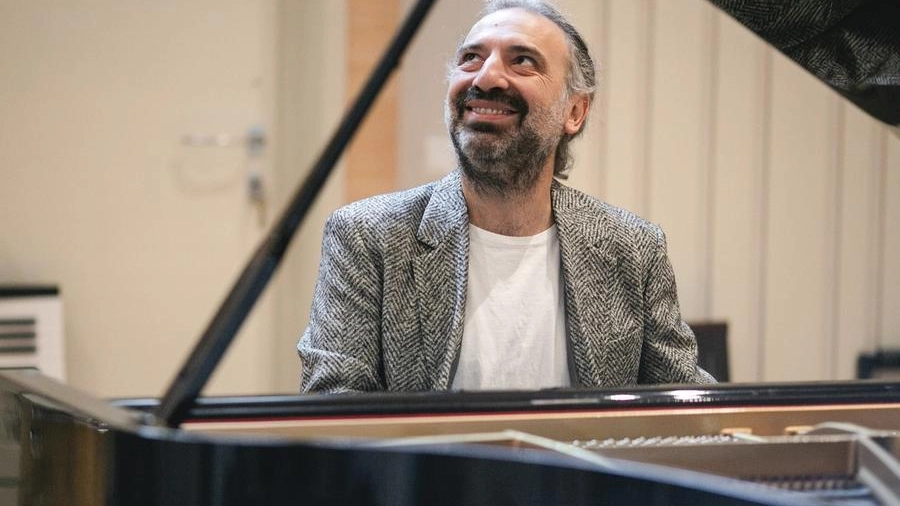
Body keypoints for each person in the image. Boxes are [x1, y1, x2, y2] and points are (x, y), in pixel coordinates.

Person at [298, 0, 715, 393]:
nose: (486, 78)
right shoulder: (367, 237)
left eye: (522, 61)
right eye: (471, 59)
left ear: (575, 112)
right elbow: (333, 411)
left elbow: (688, 408)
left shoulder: (634, 248)